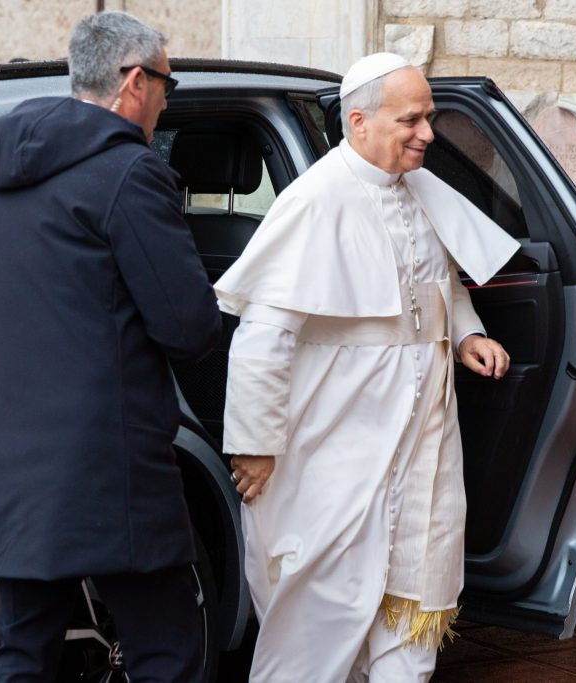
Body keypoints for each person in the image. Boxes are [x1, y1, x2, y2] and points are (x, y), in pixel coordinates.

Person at [215, 52, 520, 682]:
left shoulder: (426, 190)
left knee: (414, 588)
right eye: (411, 119)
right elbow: (262, 339)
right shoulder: (314, 202)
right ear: (359, 122)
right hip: (336, 438)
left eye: (429, 117)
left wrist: (466, 335)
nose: (429, 134)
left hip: (422, 436)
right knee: (325, 602)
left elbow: (440, 280)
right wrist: (255, 445)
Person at [0, 12, 220, 683]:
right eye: (169, 83)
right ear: (136, 80)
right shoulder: (130, 173)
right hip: (113, 471)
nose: (168, 101)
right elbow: (189, 328)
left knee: (23, 653)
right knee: (168, 650)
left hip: (18, 463)